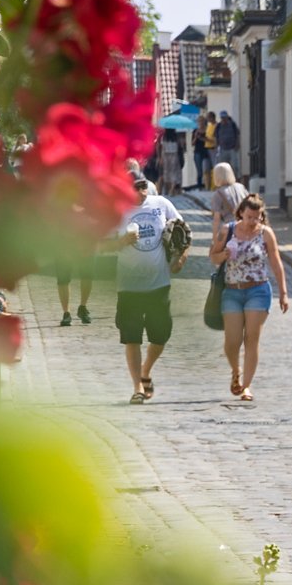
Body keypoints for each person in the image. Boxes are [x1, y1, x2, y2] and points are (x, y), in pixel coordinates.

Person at [103, 176, 185, 403]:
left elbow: (183, 233)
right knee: (132, 336)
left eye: (141, 187)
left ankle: (146, 369)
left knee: (161, 334)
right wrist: (121, 242)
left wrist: (180, 259)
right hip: (128, 286)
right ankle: (137, 387)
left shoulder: (161, 204)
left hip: (159, 283)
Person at [209, 192, 289, 403]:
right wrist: (224, 254)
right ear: (241, 213)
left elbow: (276, 261)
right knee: (232, 342)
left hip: (258, 290)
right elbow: (213, 257)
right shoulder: (228, 231)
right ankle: (236, 370)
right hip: (232, 291)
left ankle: (246, 386)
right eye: (250, 216)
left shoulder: (266, 233)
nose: (254, 221)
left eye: (258, 217)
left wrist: (283, 292)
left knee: (252, 338)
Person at [209, 160, 247, 231]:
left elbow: (217, 218)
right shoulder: (241, 187)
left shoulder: (218, 194)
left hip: (229, 228)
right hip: (245, 223)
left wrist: (215, 238)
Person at [215, 110, 240, 177]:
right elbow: (216, 136)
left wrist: (237, 144)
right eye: (222, 118)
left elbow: (237, 134)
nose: (223, 119)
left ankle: (235, 179)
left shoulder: (232, 125)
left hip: (232, 148)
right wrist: (217, 146)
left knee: (234, 166)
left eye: (224, 117)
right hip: (223, 149)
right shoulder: (219, 126)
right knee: (223, 166)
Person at [193, 112, 211, 189]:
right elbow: (192, 143)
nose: (200, 122)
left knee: (206, 169)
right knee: (199, 170)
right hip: (197, 152)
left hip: (206, 151)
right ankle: (199, 185)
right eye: (199, 121)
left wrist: (202, 138)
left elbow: (209, 140)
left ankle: (207, 185)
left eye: (202, 121)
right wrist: (196, 137)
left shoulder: (207, 129)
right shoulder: (195, 131)